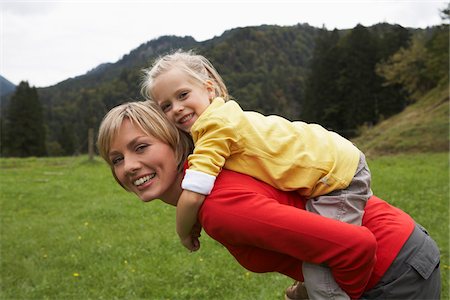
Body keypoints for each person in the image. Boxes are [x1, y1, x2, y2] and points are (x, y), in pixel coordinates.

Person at [97, 101, 441, 300]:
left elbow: (355, 246)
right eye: (116, 159)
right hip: (391, 255)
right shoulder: (210, 182)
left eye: (141, 147)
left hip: (393, 270)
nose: (130, 166)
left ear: (175, 142)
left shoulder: (219, 206)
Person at [140, 50, 372, 298]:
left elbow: (195, 192)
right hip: (332, 160)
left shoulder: (215, 127)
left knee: (323, 270)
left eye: (183, 95)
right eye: (166, 106)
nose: (177, 108)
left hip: (337, 176)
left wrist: (184, 231)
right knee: (314, 257)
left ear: (209, 89)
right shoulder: (223, 116)